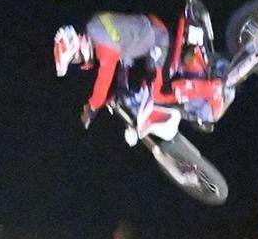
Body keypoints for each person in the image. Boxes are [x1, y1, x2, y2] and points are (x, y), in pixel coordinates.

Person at [54, 13, 173, 142]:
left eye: (74, 60)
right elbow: (124, 50)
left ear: (77, 48)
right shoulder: (96, 29)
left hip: (159, 39)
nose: (77, 63)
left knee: (159, 94)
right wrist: (117, 91)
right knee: (145, 90)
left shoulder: (100, 40)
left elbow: (105, 75)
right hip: (151, 35)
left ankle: (196, 106)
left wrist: (92, 107)